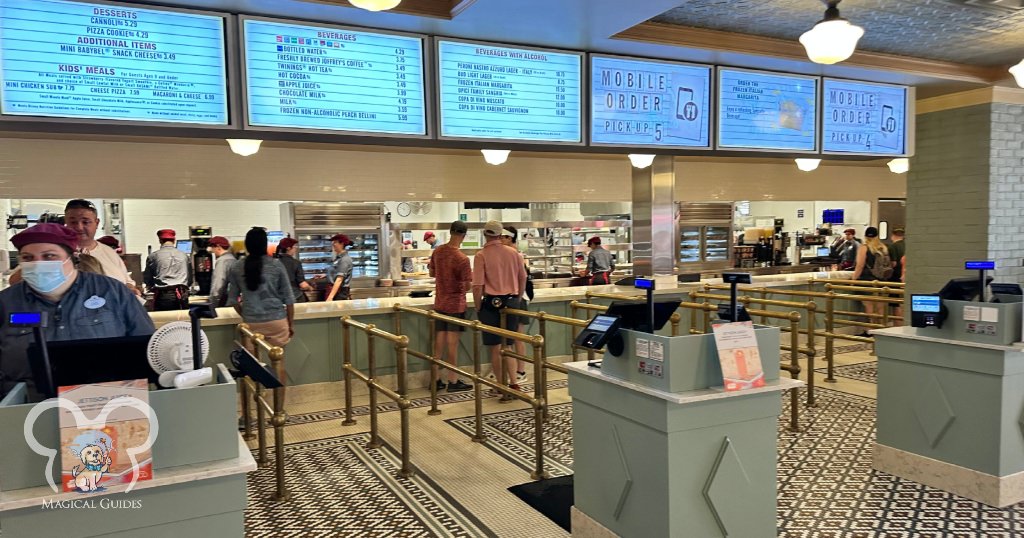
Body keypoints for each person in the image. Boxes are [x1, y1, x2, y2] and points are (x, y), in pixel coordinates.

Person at [0, 224, 155, 401]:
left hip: (108, 404)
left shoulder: (112, 292)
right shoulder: (6, 303)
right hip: (29, 408)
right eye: (28, 258)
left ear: (72, 258)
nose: (38, 264)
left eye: (49, 256)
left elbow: (148, 347)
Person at [473, 220, 527, 393]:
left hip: (491, 303)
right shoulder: (514, 253)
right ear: (500, 233)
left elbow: (477, 285)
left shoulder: (481, 255)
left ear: (485, 234)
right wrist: (517, 297)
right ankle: (513, 382)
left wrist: (478, 305)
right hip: (511, 301)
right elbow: (523, 277)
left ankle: (500, 384)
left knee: (496, 347)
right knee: (508, 345)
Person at [226, 228, 295, 350]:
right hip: (277, 321)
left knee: (255, 366)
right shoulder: (276, 264)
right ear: (265, 244)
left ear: (247, 245)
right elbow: (289, 299)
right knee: (278, 363)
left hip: (251, 323)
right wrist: (290, 324)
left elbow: (233, 300)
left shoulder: (237, 267)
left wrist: (246, 313)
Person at [427, 221, 472, 393]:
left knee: (439, 342)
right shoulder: (462, 258)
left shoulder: (438, 251)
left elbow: (432, 273)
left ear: (450, 232)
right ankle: (453, 381)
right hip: (455, 305)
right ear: (464, 235)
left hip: (440, 302)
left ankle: (435, 379)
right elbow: (468, 286)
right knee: (452, 344)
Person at [499, 226, 530, 384]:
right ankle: (513, 369)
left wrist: (517, 297)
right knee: (513, 337)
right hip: (514, 297)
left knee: (517, 337)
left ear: (509, 238)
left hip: (517, 298)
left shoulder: (515, 254)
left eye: (502, 237)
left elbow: (521, 278)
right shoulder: (510, 254)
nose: (499, 239)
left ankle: (520, 370)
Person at [852, 226, 893, 326]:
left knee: (869, 306)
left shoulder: (864, 247)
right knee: (880, 307)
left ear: (865, 236)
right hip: (882, 280)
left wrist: (853, 280)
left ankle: (873, 329)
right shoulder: (884, 248)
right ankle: (882, 330)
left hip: (867, 281)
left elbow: (860, 266)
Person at [144, 229, 193, 311]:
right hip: (182, 295)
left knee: (165, 321)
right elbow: (190, 279)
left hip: (163, 296)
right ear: (174, 240)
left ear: (160, 240)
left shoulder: (153, 256)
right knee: (182, 322)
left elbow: (148, 280)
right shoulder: (184, 256)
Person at [276, 237, 313, 303]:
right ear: (288, 248)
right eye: (294, 246)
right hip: (295, 297)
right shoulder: (295, 263)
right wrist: (310, 288)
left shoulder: (274, 262)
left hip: (279, 298)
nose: (296, 248)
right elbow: (303, 284)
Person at [207, 236, 237, 307]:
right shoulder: (233, 259)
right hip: (232, 299)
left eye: (212, 248)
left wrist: (212, 302)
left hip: (223, 301)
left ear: (218, 246)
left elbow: (218, 283)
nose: (212, 251)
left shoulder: (222, 261)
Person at [325, 234, 353, 301]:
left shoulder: (344, 259)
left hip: (339, 292)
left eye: (335, 242)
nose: (333, 244)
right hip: (336, 291)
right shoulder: (338, 258)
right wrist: (327, 275)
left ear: (342, 244)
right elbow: (336, 272)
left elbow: (339, 279)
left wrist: (330, 297)